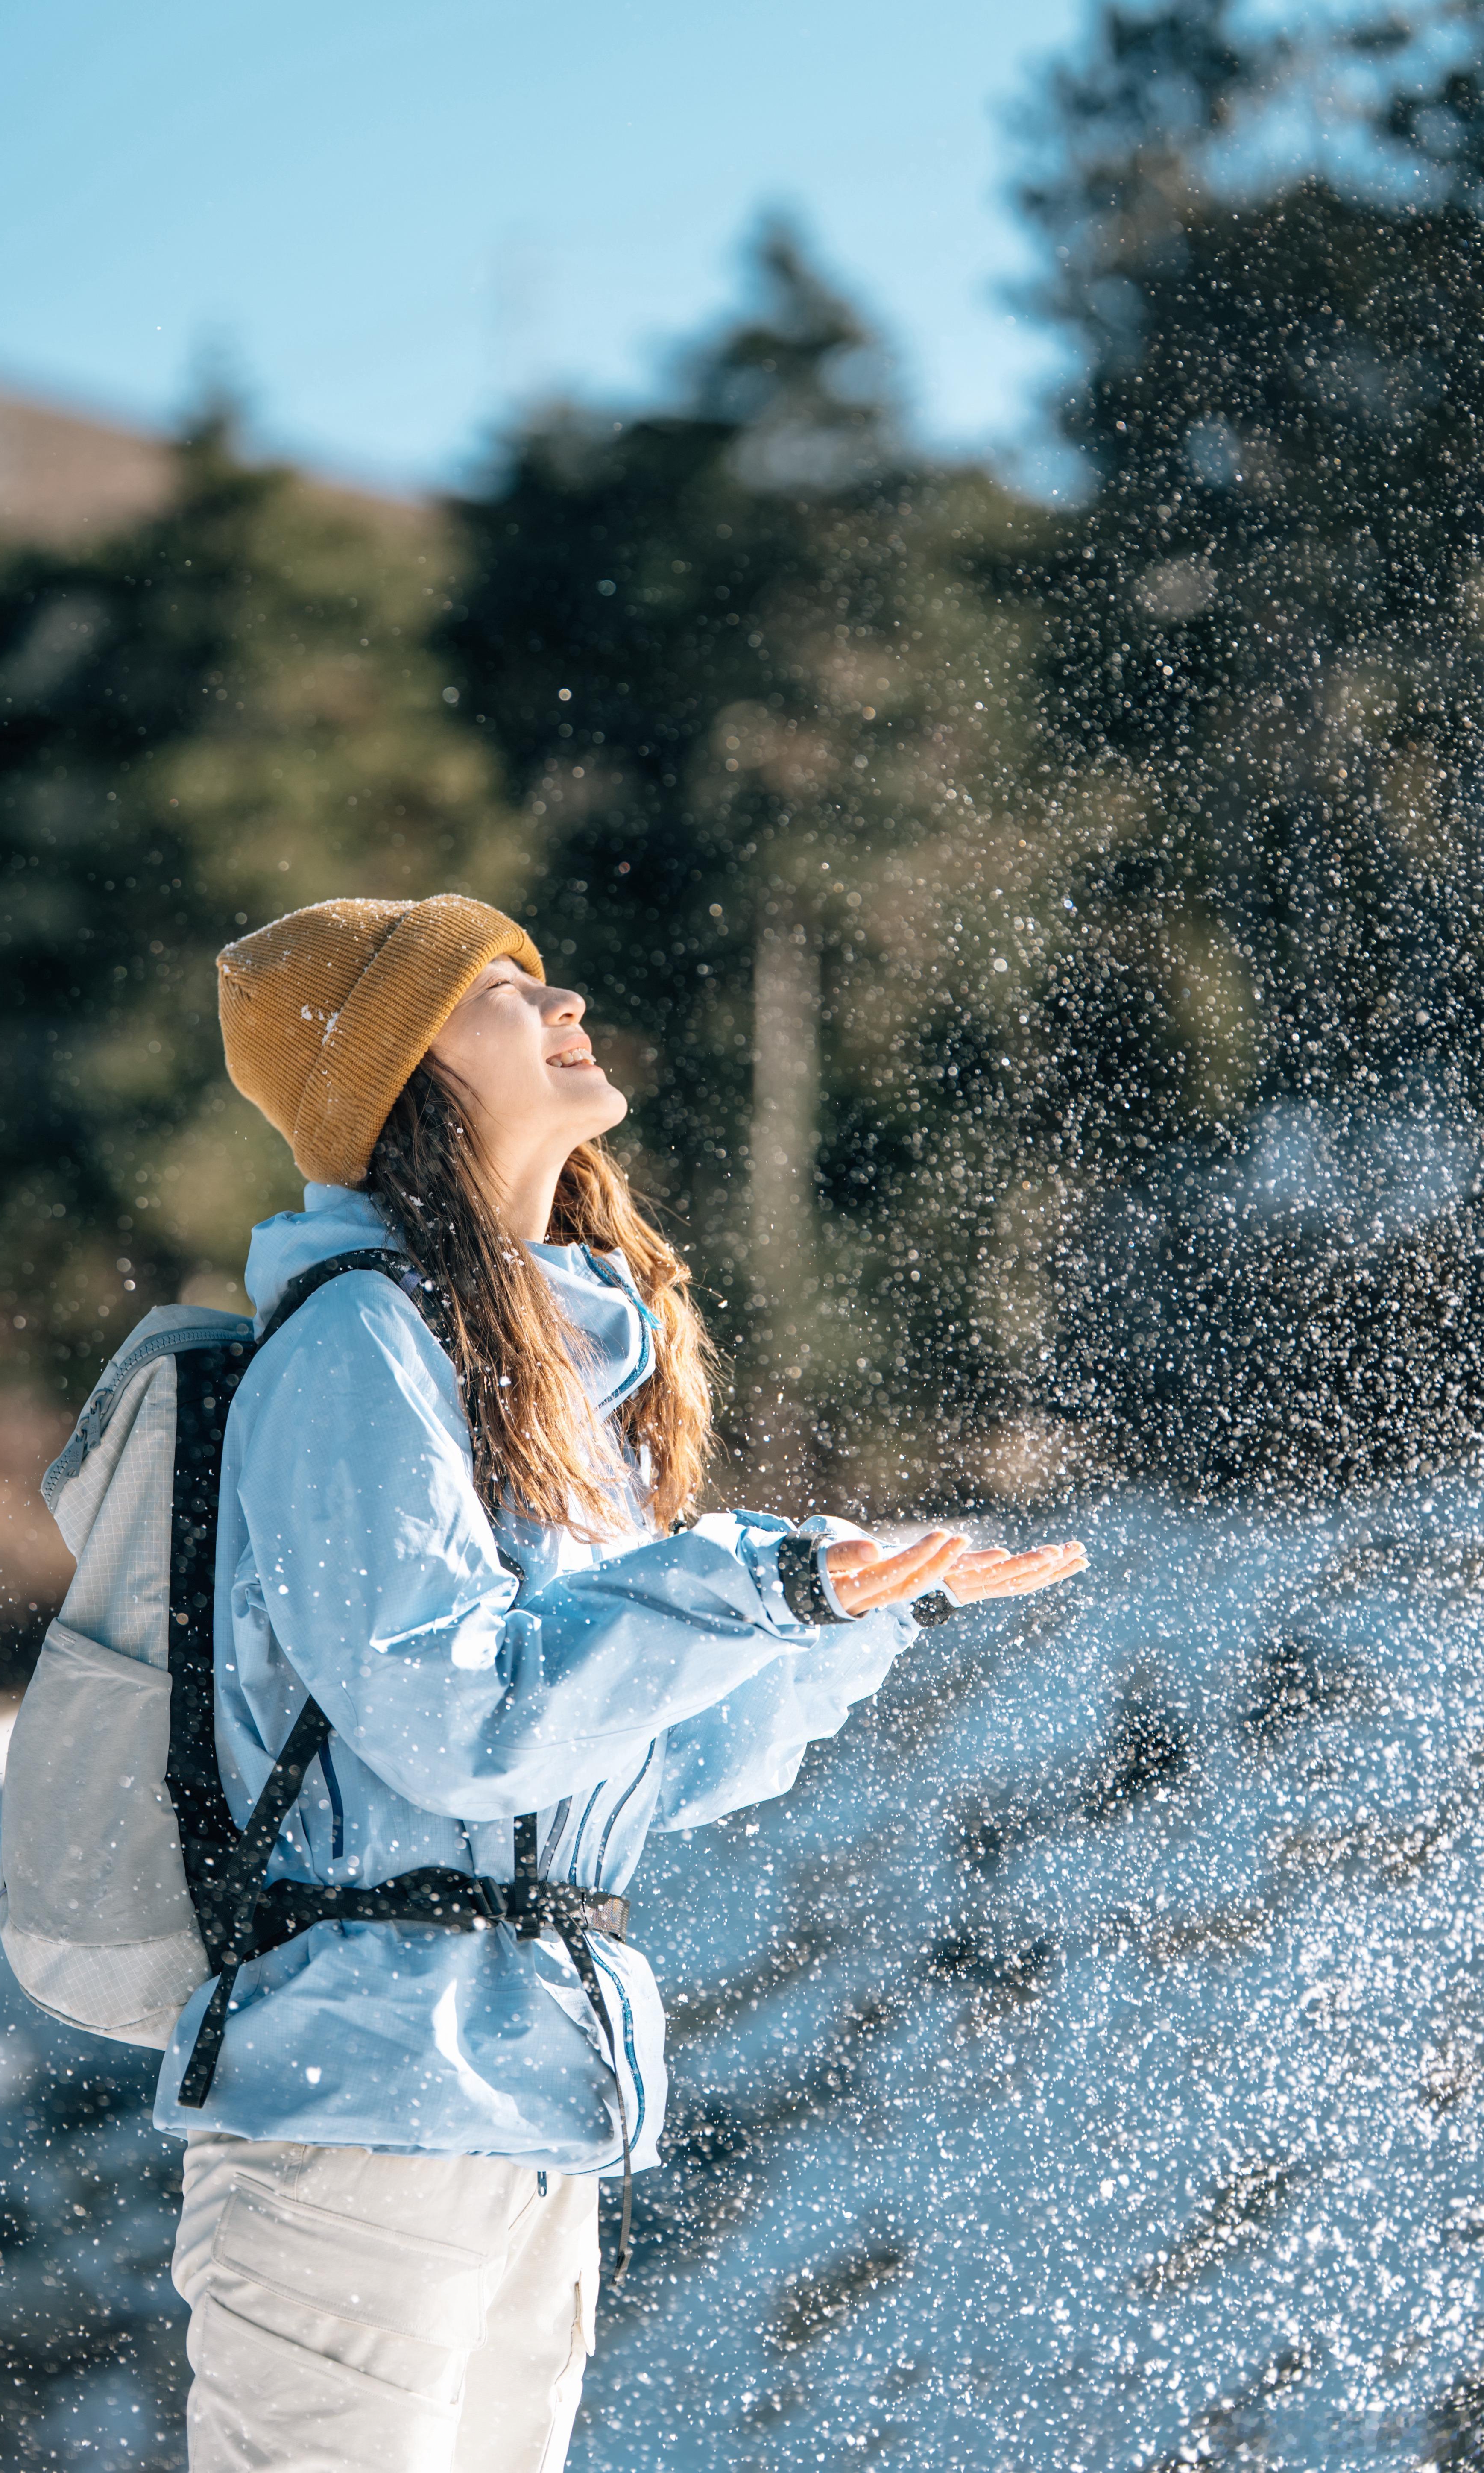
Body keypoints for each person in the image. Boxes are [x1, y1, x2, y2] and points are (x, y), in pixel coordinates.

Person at [162, 893, 1085, 2473]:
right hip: (358, 2106)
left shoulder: (555, 1374)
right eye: (496, 988)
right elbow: (457, 1720)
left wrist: (844, 1614)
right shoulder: (356, 1347)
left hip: (534, 2108)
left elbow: (650, 1766)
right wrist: (746, 1581)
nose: (561, 1000)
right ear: (398, 1071)